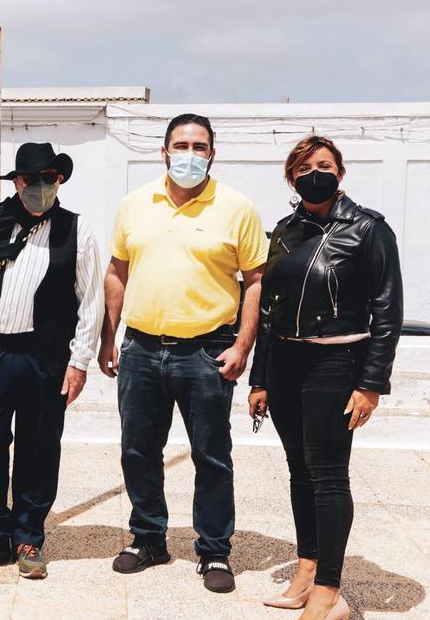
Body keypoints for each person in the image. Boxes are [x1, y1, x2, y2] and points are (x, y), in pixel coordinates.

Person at [99, 113, 268, 594]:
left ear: (212, 152)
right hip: (141, 350)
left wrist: (242, 346)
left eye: (199, 146)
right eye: (180, 144)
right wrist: (108, 337)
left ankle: (214, 550)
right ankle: (148, 538)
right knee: (138, 451)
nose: (189, 154)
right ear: (164, 151)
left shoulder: (238, 208)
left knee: (212, 455)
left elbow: (255, 280)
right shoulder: (135, 205)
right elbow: (116, 271)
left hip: (207, 352)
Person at [249, 136, 402, 620]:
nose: (313, 172)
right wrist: (260, 378)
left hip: (337, 364)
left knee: (329, 475)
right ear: (290, 176)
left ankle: (329, 592)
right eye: (303, 166)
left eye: (323, 164)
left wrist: (371, 383)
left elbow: (387, 309)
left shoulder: (368, 229)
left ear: (340, 172)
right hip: (285, 364)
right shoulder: (285, 230)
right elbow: (269, 307)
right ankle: (307, 568)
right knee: (299, 470)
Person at [0, 142, 102, 578]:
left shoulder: (77, 230)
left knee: (39, 450)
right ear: (16, 182)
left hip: (46, 360)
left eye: (49, 179)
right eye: (31, 180)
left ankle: (29, 537)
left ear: (59, 180)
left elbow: (90, 302)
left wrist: (79, 362)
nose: (39, 187)